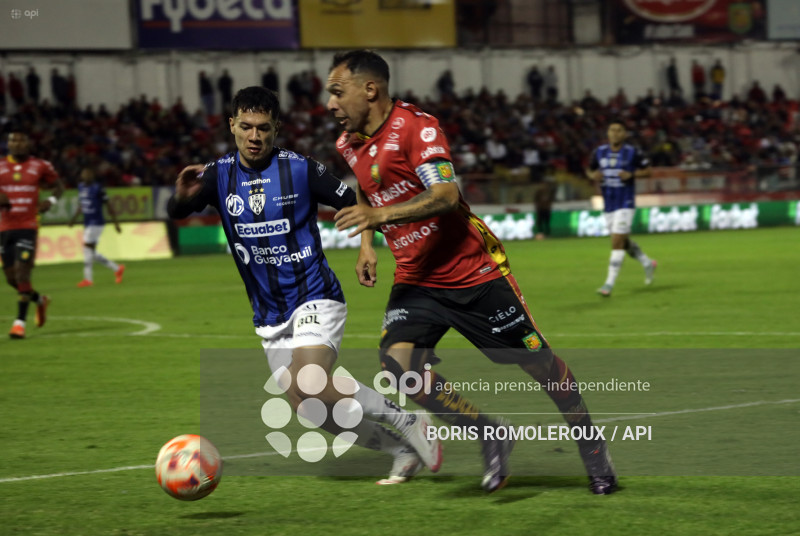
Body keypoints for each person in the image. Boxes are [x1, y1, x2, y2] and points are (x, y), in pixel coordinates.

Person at [327, 50, 617, 495]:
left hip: (472, 272)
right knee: (399, 367)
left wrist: (379, 219)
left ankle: (593, 449)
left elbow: (445, 195)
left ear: (371, 89)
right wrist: (368, 244)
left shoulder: (417, 128)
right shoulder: (347, 143)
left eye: (337, 91)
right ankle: (490, 432)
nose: (330, 103)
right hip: (416, 278)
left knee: (540, 365)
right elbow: (369, 192)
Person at [167, 86, 441, 485]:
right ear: (232, 125)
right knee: (309, 406)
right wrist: (180, 198)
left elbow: (358, 201)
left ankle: (410, 419)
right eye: (246, 127)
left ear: (277, 128)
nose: (254, 137)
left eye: (263, 128)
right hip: (268, 312)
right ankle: (398, 449)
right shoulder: (216, 175)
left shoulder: (300, 169)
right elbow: (178, 211)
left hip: (315, 294)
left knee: (310, 381)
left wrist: (367, 247)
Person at [0, 129, 64, 339]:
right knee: (11, 279)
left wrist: (51, 201)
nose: (17, 144)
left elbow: (58, 186)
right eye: (13, 140)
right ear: (8, 144)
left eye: (21, 140)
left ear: (28, 143)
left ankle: (19, 324)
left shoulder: (41, 165)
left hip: (28, 226)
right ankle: (39, 300)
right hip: (4, 228)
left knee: (22, 273)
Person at [586, 119, 656, 297]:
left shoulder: (632, 152)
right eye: (612, 130)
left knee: (616, 241)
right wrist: (593, 175)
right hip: (609, 203)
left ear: (624, 134)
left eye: (619, 130)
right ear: (608, 133)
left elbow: (648, 170)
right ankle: (647, 262)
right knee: (622, 242)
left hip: (625, 202)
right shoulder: (599, 152)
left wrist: (632, 174)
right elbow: (589, 169)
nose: (615, 133)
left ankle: (608, 284)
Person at [68, 167, 125, 287]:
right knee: (90, 251)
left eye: (89, 174)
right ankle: (117, 268)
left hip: (97, 222)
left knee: (87, 247)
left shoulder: (98, 188)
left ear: (92, 176)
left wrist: (116, 224)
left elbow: (108, 205)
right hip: (88, 223)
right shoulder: (81, 187)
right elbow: (82, 205)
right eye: (84, 174)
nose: (86, 176)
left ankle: (88, 279)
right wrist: (73, 219)